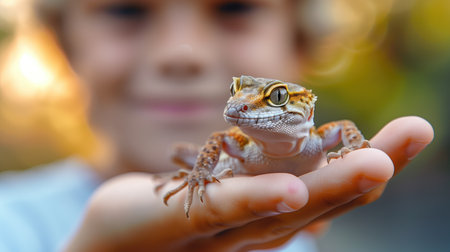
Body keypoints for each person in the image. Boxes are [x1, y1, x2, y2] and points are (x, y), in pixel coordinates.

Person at [0, 0, 434, 251]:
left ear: (300, 45)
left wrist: (350, 150)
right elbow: (221, 142)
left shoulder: (290, 233)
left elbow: (346, 135)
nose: (181, 55)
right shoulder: (11, 223)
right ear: (64, 45)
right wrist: (200, 175)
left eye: (235, 6)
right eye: (125, 9)